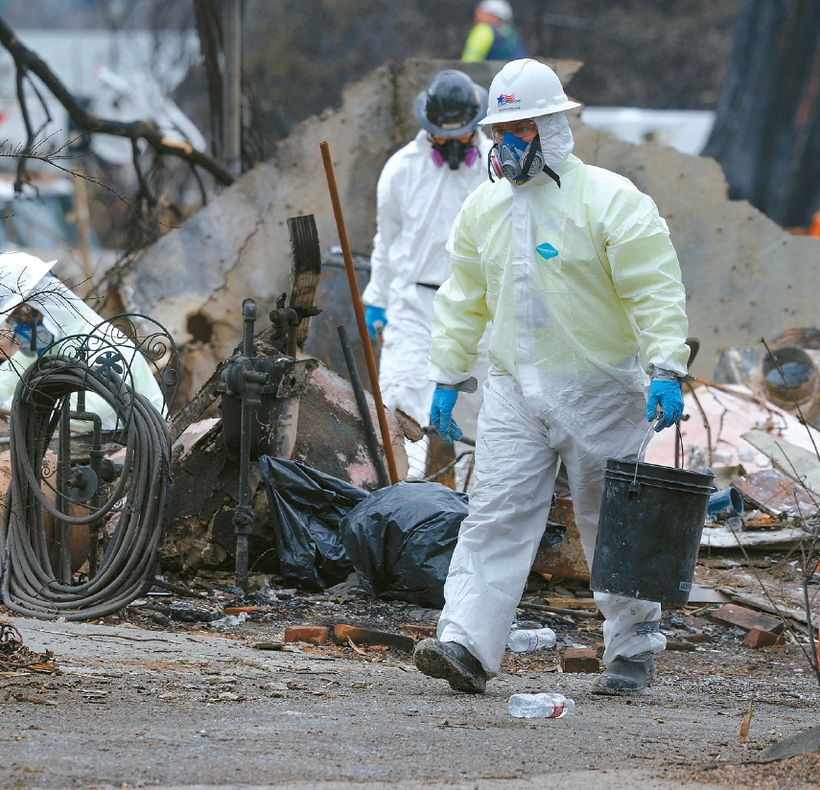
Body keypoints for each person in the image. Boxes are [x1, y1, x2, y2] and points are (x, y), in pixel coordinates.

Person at [413, 58, 690, 695]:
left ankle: (631, 650)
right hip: (515, 391)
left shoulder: (612, 202)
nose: (503, 146)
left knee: (609, 523)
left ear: (552, 129)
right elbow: (463, 298)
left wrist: (666, 366)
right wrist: (448, 375)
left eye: (519, 130)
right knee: (495, 514)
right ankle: (465, 645)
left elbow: (655, 290)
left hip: (601, 392)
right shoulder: (484, 209)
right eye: (497, 132)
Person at [362, 69, 494, 476]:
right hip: (416, 306)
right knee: (402, 405)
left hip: (481, 308)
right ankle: (402, 507)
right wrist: (377, 299)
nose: (454, 144)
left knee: (483, 419)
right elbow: (387, 240)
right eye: (444, 135)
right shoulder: (401, 169)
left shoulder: (496, 166)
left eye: (462, 135)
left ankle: (477, 518)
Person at [0, 251, 166, 429]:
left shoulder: (103, 340)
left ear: (44, 304)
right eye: (12, 321)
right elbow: (5, 380)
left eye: (21, 316)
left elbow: (89, 412)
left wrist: (14, 405)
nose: (18, 328)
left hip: (141, 447)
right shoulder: (46, 346)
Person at [461, 0, 528, 63]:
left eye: (481, 11)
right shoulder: (512, 34)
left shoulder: (482, 30)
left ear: (493, 15)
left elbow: (469, 62)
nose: (476, 14)